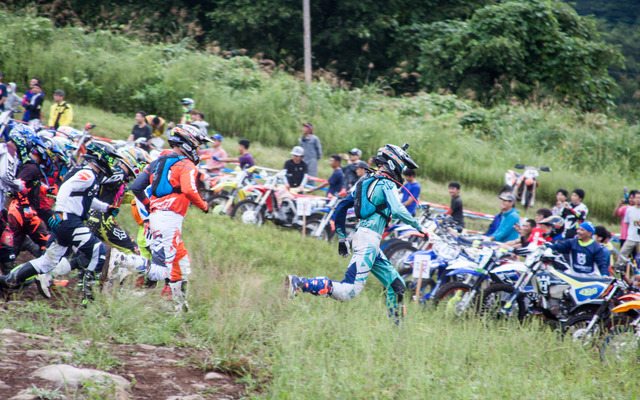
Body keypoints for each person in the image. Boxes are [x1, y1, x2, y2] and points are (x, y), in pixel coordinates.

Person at [285, 144, 427, 324]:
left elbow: (342, 206)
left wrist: (342, 237)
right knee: (348, 291)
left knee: (396, 284)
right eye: (403, 165)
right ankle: (300, 283)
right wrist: (418, 226)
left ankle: (398, 332)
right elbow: (397, 210)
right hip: (368, 241)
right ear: (395, 163)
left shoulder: (365, 181)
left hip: (367, 240)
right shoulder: (387, 183)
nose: (403, 169)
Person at [0, 142, 122, 303]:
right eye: (111, 159)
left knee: (46, 262)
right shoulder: (88, 174)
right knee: (98, 251)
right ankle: (89, 298)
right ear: (101, 157)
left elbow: (86, 199)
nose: (112, 163)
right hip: (70, 221)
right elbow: (66, 188)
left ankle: (7, 281)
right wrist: (60, 211)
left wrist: (106, 208)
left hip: (66, 222)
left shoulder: (90, 175)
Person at [131, 124, 210, 311]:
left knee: (181, 262)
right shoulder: (186, 165)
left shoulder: (157, 162)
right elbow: (189, 190)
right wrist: (203, 205)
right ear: (189, 142)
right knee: (160, 271)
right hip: (169, 219)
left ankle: (180, 307)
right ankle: (121, 261)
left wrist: (149, 204)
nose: (198, 149)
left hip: (158, 217)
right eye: (197, 145)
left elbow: (136, 187)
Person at [614, 190, 638, 260]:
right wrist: (619, 204)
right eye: (629, 197)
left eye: (633, 198)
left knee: (636, 257)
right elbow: (615, 214)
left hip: (635, 238)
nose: (631, 199)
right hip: (625, 236)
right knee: (623, 256)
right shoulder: (626, 208)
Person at [619, 194, 640, 263]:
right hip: (630, 237)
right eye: (636, 197)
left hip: (639, 239)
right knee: (622, 254)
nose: (638, 199)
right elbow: (627, 223)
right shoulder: (629, 210)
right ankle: (619, 269)